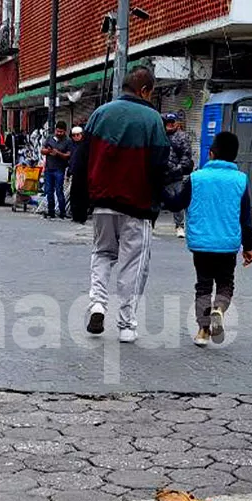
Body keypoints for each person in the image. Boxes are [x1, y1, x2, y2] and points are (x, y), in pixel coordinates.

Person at [70, 66, 169, 344]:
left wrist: (79, 204)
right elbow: (159, 166)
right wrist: (158, 203)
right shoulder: (152, 120)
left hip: (102, 202)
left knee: (102, 253)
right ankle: (126, 324)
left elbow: (81, 161)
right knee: (133, 264)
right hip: (137, 205)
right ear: (146, 90)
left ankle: (98, 304)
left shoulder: (100, 114)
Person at [165, 132, 252, 348]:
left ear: (211, 153)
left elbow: (176, 204)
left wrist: (159, 190)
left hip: (201, 244)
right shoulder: (241, 180)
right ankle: (219, 309)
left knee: (203, 286)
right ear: (234, 156)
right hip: (228, 245)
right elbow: (246, 218)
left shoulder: (196, 178)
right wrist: (248, 246)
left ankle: (203, 331)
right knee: (225, 283)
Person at [164, 113, 195, 238]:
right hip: (160, 172)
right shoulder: (159, 135)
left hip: (175, 174)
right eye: (168, 122)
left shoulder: (182, 137)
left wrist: (178, 169)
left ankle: (179, 226)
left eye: (172, 122)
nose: (170, 125)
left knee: (177, 200)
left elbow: (186, 155)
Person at [40, 120, 73, 220]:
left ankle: (62, 212)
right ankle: (51, 211)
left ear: (65, 131)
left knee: (59, 190)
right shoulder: (50, 138)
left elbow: (69, 155)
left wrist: (58, 153)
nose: (59, 133)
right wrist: (49, 151)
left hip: (59, 170)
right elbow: (42, 150)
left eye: (61, 132)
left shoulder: (68, 141)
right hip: (49, 169)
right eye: (57, 131)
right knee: (49, 191)